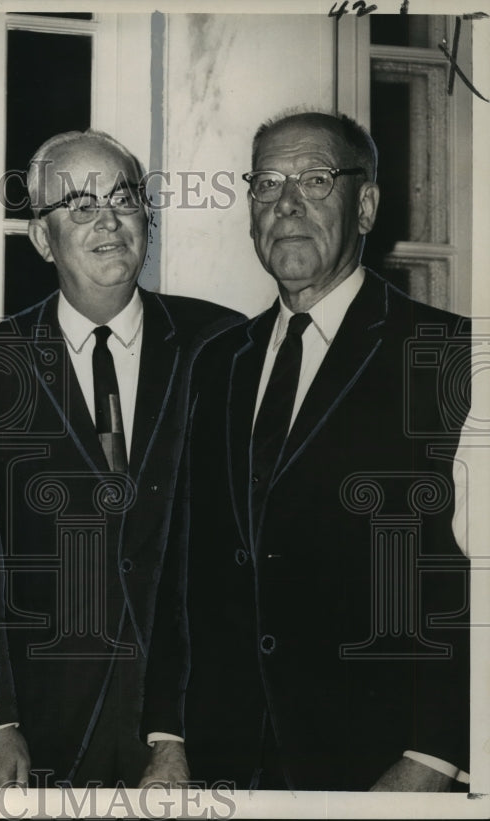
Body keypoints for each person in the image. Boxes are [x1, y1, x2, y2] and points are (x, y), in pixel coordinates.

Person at [142, 111, 471, 791]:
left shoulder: (448, 357)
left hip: (380, 767)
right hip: (224, 763)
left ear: (367, 205)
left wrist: (433, 758)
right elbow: (185, 565)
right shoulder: (217, 362)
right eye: (266, 184)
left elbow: (472, 583)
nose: (286, 204)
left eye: (315, 180)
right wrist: (168, 735)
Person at [0, 130, 242, 787]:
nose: (108, 220)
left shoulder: (221, 344)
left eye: (124, 198)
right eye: (79, 205)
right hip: (47, 730)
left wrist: (177, 729)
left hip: (192, 727)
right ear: (42, 239)